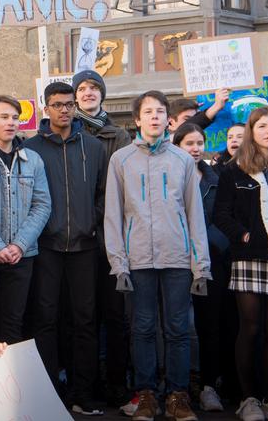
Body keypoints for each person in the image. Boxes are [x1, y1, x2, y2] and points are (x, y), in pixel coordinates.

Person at [105, 90, 211, 421]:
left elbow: (195, 215)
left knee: (179, 328)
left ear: (168, 119)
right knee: (142, 328)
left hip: (178, 258)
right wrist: (118, 263)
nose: (155, 116)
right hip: (137, 260)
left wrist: (201, 266)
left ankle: (178, 395)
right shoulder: (120, 160)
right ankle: (147, 394)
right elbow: (114, 214)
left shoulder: (182, 160)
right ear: (136, 120)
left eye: (160, 111)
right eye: (148, 112)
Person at [23, 81, 106, 416]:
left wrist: (92, 220)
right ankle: (49, 392)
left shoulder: (94, 147)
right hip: (46, 246)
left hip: (85, 246)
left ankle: (83, 393)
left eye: (69, 104)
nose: (64, 110)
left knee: (85, 320)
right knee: (45, 320)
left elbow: (103, 193)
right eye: (57, 104)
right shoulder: (31, 149)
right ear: (46, 108)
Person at [213, 108, 268, 421]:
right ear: (251, 131)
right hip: (248, 259)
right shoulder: (232, 170)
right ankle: (249, 399)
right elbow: (221, 214)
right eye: (262, 126)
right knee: (250, 329)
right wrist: (244, 236)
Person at [71, 69, 132, 406]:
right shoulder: (67, 131)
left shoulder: (118, 135)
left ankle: (116, 383)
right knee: (82, 315)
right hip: (78, 237)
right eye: (82, 88)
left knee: (115, 313)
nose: (88, 92)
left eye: (94, 87)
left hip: (111, 235)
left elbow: (119, 185)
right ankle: (85, 384)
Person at [0, 95, 50, 345]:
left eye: (15, 118)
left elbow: (42, 205)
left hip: (20, 257)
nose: (11, 122)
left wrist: (18, 245)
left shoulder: (32, 159)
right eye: (4, 117)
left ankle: (10, 382)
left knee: (14, 324)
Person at [172, 123, 234, 413]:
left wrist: (206, 245)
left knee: (210, 324)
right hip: (174, 260)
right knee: (177, 326)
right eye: (189, 143)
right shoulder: (168, 175)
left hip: (209, 260)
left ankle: (209, 386)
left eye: (199, 143)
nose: (195, 148)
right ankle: (178, 386)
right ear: (177, 146)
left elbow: (225, 217)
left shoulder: (216, 177)